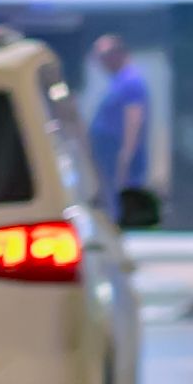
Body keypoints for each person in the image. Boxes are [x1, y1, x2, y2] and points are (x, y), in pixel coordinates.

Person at [82, 32, 164, 233]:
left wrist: (126, 155)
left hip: (119, 157)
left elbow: (133, 119)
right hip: (109, 156)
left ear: (116, 55)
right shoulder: (119, 81)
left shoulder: (131, 81)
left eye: (103, 57)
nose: (101, 63)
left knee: (122, 199)